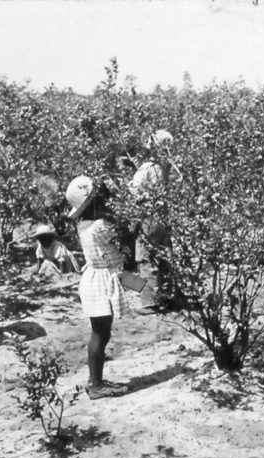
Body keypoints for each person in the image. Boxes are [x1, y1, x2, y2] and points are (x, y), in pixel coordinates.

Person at [66, 175, 129, 399]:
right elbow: (126, 229)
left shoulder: (84, 225)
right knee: (100, 334)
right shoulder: (101, 226)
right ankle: (96, 384)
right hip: (102, 281)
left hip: (96, 278)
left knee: (101, 332)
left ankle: (96, 380)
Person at [129, 130, 177, 312]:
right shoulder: (168, 166)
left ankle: (150, 302)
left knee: (146, 259)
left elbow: (134, 189)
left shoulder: (148, 167)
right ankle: (168, 296)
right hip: (164, 216)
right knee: (165, 255)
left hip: (149, 216)